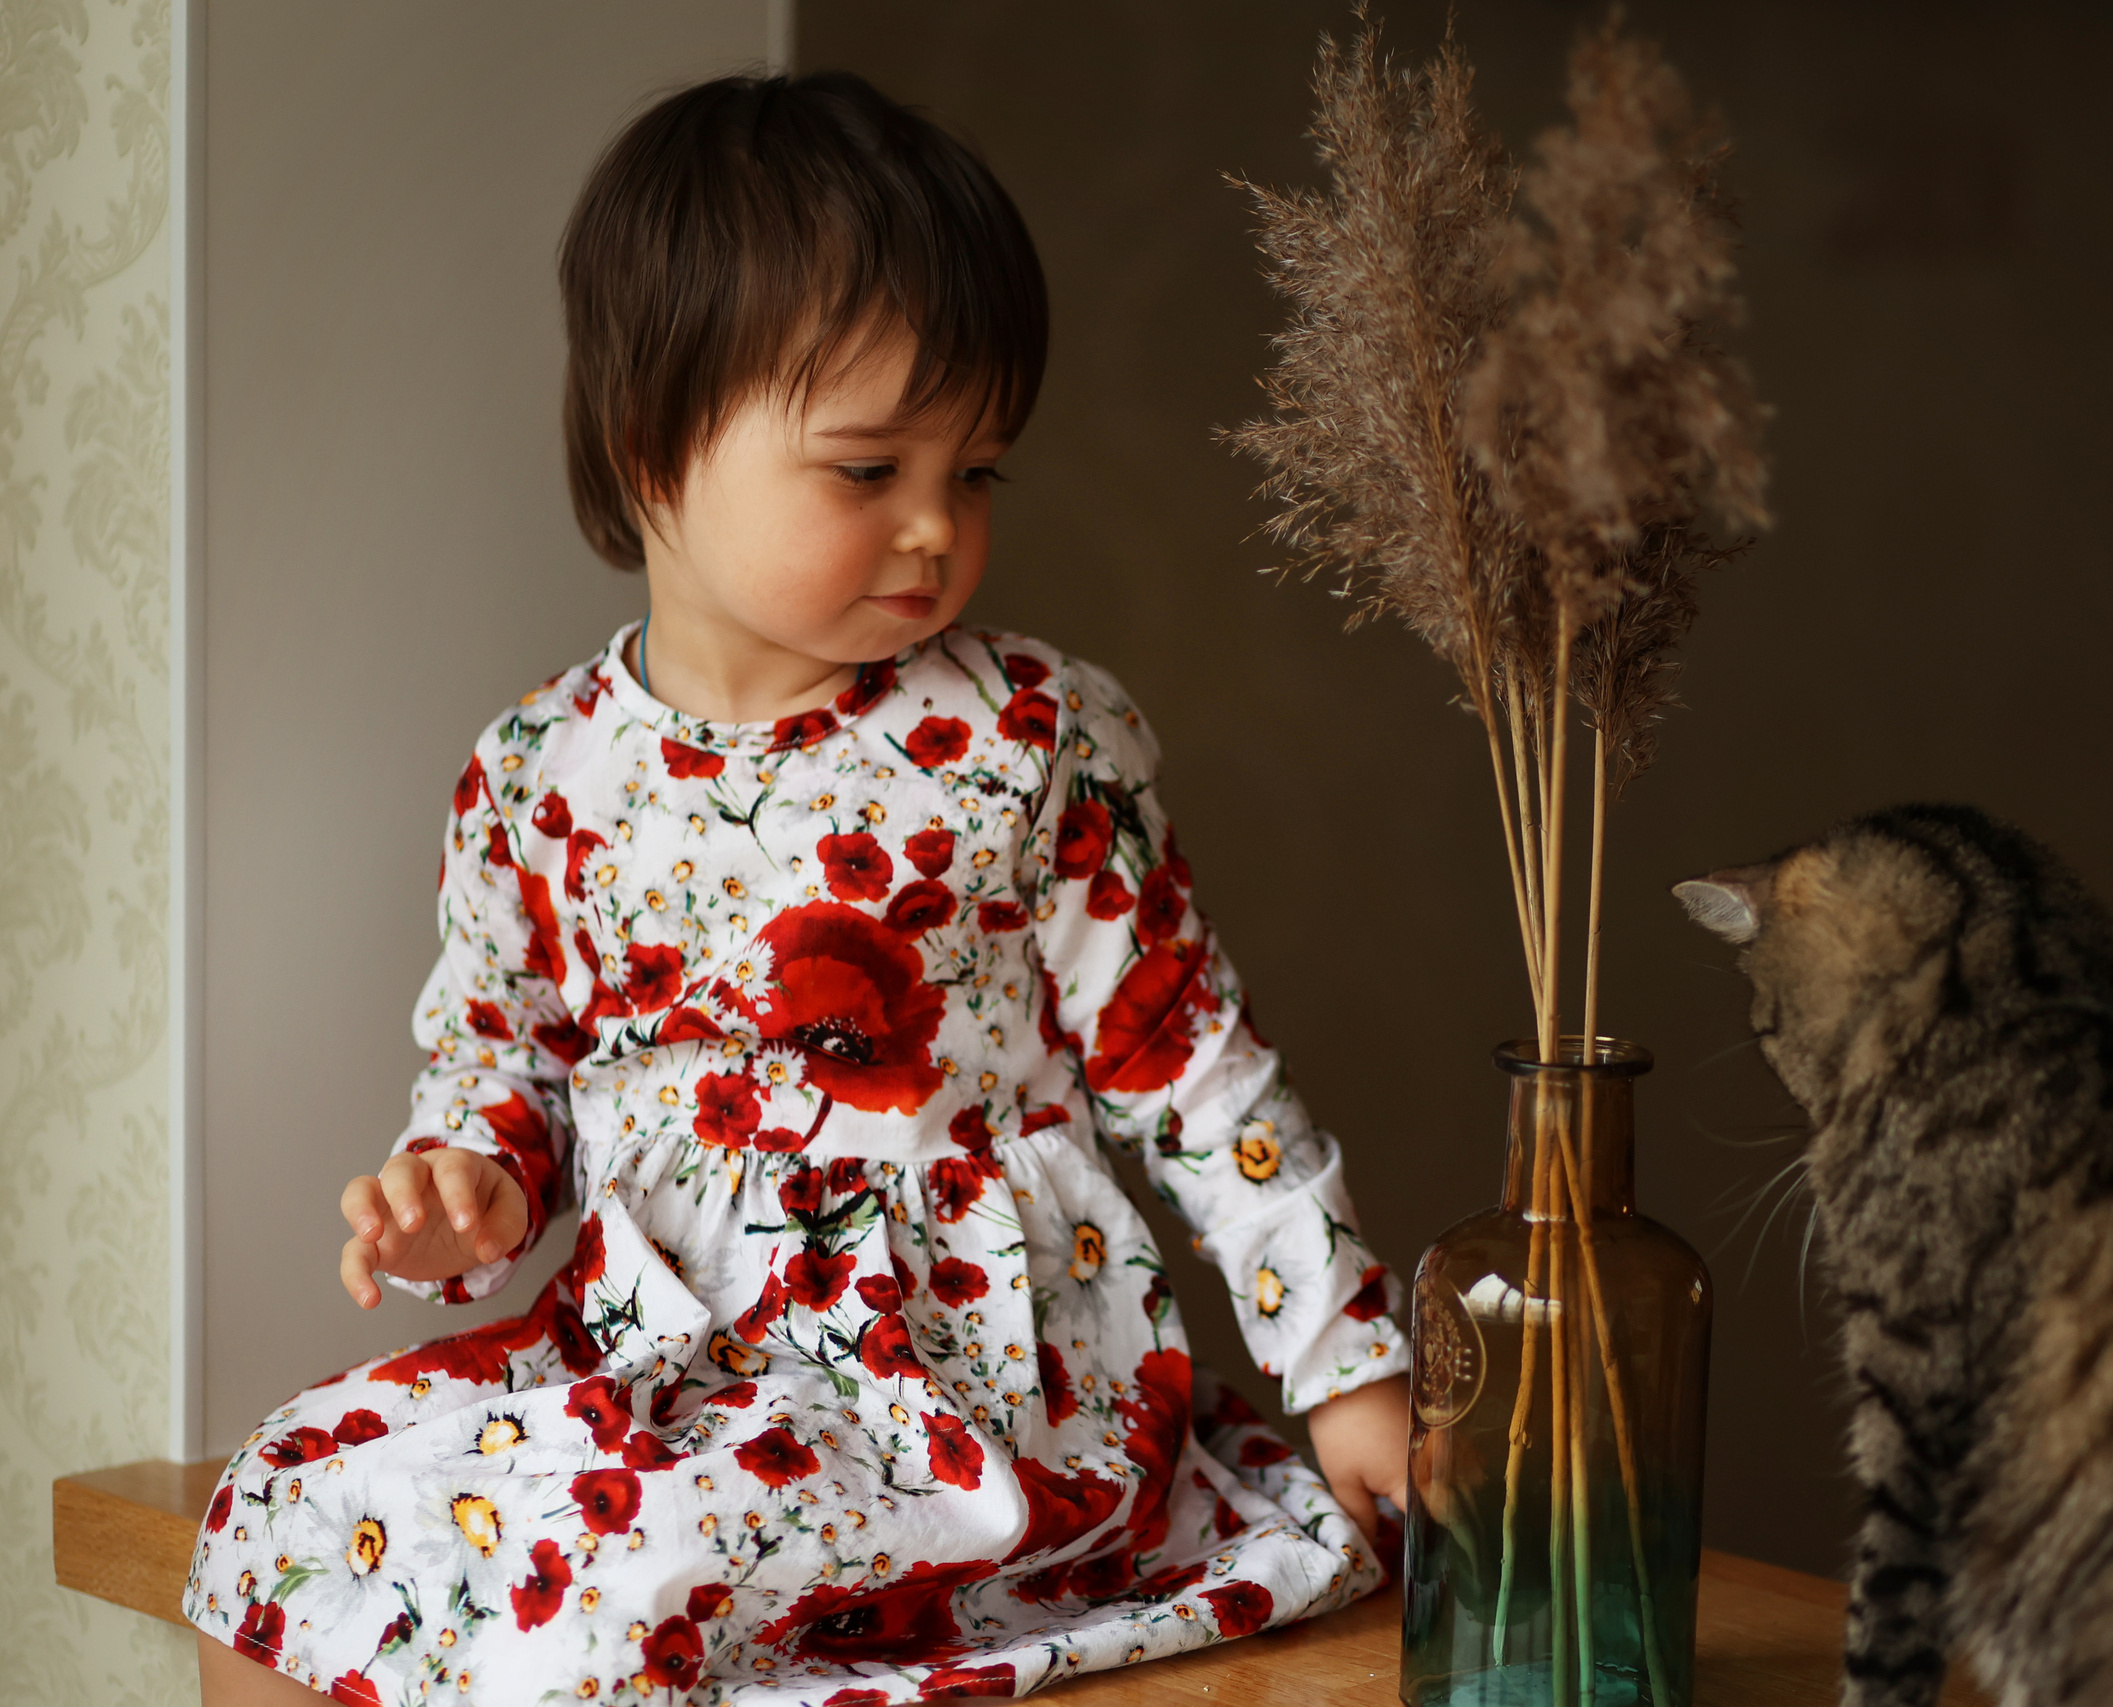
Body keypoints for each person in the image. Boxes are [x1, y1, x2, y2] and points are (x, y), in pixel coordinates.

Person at [187, 72, 1410, 1706]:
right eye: (867, 470)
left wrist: (1345, 1369)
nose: (933, 530)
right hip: (651, 1360)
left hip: (954, 1380)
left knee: (617, 1610)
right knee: (278, 1498)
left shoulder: (1023, 741)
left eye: (977, 473)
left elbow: (1194, 1072)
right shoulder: (540, 773)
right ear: (650, 449)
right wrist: (465, 1179)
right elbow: (510, 1059)